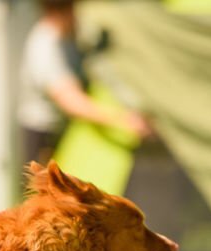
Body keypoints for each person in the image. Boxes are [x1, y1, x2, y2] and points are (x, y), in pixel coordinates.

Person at [17, 0, 151, 165]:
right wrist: (123, 120)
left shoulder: (68, 38)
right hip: (45, 134)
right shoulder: (46, 47)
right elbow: (71, 101)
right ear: (68, 9)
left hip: (63, 130)